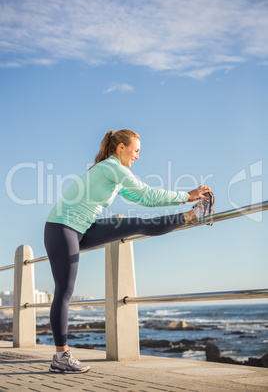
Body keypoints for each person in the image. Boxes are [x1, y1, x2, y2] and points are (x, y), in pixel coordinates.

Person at [44, 129, 213, 373]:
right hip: (62, 228)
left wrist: (185, 201)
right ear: (120, 147)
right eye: (136, 151)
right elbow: (147, 192)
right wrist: (188, 194)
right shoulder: (111, 168)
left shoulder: (113, 174)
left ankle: (194, 215)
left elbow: (146, 200)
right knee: (65, 291)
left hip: (83, 227)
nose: (137, 156)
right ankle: (61, 357)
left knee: (136, 223)